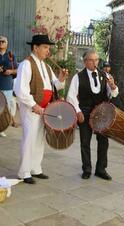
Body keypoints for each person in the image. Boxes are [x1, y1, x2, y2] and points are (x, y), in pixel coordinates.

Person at [14, 34, 68, 184]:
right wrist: (34, 105)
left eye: (48, 47)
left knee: (39, 139)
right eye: (45, 47)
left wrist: (61, 79)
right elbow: (21, 90)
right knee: (29, 139)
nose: (47, 51)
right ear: (35, 48)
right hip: (31, 108)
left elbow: (54, 86)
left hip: (45, 108)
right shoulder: (26, 64)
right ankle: (24, 172)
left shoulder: (47, 66)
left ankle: (35, 168)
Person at [67, 49, 119, 180]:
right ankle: (87, 169)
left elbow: (113, 94)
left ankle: (101, 169)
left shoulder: (105, 75)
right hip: (84, 111)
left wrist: (113, 86)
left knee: (103, 142)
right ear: (85, 62)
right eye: (91, 60)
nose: (95, 62)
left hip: (101, 113)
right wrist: (78, 111)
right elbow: (71, 96)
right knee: (85, 142)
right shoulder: (78, 77)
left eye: (96, 60)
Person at [0, 36, 18, 137]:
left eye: (3, 41)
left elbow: (17, 70)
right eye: (0, 42)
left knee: (5, 108)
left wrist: (10, 71)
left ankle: (2, 127)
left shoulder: (11, 55)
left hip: (7, 86)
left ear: (7, 44)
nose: (1, 43)